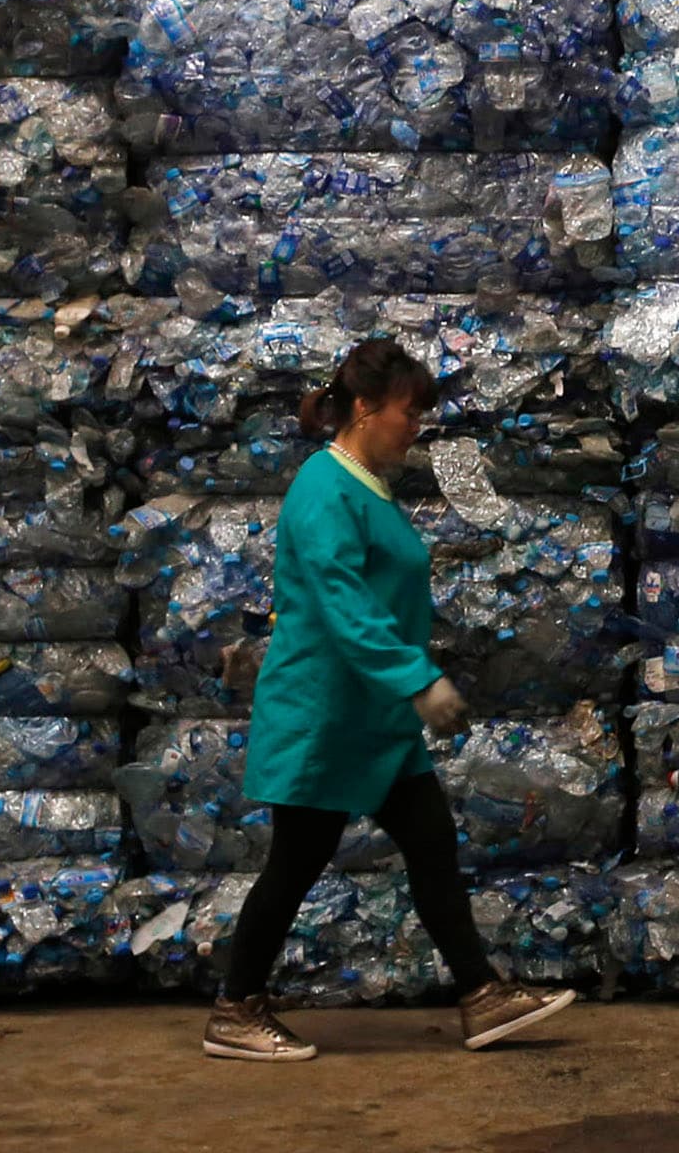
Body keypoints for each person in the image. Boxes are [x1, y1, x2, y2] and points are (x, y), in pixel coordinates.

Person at [201, 337, 577, 1061]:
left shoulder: (367, 488)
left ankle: (481, 994)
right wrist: (417, 678)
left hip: (372, 717)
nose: (417, 428)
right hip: (324, 713)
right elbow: (344, 604)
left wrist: (406, 685)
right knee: (296, 862)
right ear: (367, 407)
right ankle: (235, 1009)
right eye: (409, 413)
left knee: (431, 845)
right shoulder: (324, 489)